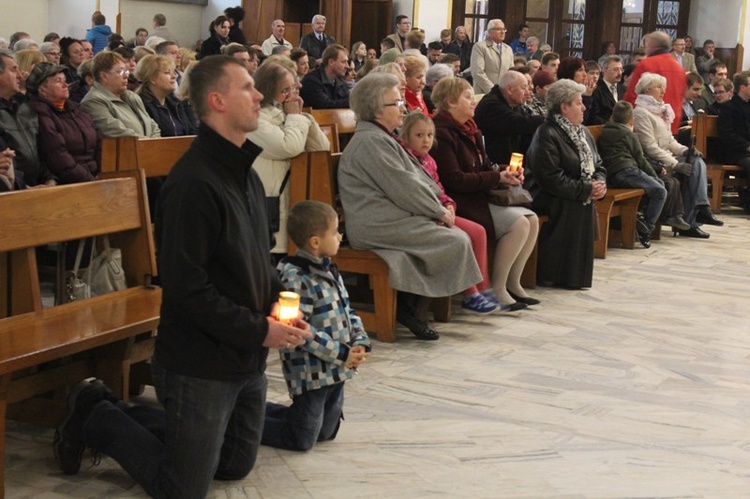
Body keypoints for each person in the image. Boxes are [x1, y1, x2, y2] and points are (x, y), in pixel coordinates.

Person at [52, 54, 313, 498]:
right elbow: (186, 288)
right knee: (182, 489)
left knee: (232, 465)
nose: (258, 95)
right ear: (217, 100)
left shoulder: (244, 175)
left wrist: (281, 301)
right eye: (248, 87)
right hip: (200, 359)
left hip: (244, 353)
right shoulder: (194, 183)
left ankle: (141, 416)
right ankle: (96, 416)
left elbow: (259, 256)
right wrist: (257, 329)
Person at [338, 72, 482, 340]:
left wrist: (442, 204)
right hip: (375, 224)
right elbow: (403, 187)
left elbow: (419, 178)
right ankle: (411, 309)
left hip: (392, 217)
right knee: (455, 240)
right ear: (377, 109)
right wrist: (437, 212)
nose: (403, 107)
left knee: (453, 237)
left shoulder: (383, 137)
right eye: (397, 103)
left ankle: (411, 308)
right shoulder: (371, 141)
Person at [263, 200, 371, 451]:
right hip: (312, 373)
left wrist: (361, 341)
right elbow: (301, 332)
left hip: (337, 370)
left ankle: (260, 412)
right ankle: (243, 420)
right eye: (335, 232)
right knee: (300, 439)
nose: (340, 236)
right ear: (315, 242)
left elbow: (348, 309)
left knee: (325, 433)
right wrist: (343, 353)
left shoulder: (330, 270)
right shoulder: (295, 276)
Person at [431, 76, 539, 308]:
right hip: (463, 201)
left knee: (533, 220)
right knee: (519, 223)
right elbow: (455, 180)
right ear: (450, 101)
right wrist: (495, 177)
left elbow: (483, 164)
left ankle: (513, 282)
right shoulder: (442, 132)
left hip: (479, 194)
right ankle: (497, 289)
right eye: (467, 97)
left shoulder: (470, 128)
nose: (473, 102)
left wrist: (504, 172)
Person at [399, 112, 499, 313]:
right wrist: (439, 211)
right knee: (461, 236)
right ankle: (470, 294)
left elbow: (439, 188)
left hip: (441, 210)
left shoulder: (429, 160)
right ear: (406, 137)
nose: (426, 140)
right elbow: (414, 193)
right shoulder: (404, 160)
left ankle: (484, 289)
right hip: (424, 214)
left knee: (478, 231)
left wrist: (449, 204)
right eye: (419, 135)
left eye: (429, 135)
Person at [525, 79, 607, 289]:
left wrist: (599, 183)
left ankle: (575, 273)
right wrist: (586, 189)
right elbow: (550, 178)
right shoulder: (547, 133)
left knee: (580, 202)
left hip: (573, 190)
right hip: (547, 195)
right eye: (579, 103)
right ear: (564, 107)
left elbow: (598, 164)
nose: (584, 107)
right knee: (574, 204)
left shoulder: (583, 132)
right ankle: (554, 273)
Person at [246, 61, 330, 259]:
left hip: (291, 202)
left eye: (294, 87)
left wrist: (301, 117)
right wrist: (294, 117)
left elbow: (321, 149)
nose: (294, 93)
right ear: (270, 91)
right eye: (288, 89)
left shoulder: (289, 116)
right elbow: (289, 147)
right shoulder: (255, 119)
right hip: (268, 209)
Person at [631, 72, 722, 238]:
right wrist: (675, 163)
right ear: (647, 89)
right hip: (652, 161)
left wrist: (685, 150)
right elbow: (650, 147)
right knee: (692, 168)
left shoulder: (660, 110)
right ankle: (695, 217)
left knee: (696, 160)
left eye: (663, 87)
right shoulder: (641, 113)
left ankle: (698, 212)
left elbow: (670, 141)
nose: (663, 91)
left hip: (665, 156)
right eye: (659, 87)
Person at [597, 101, 669, 248]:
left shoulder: (606, 131)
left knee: (659, 185)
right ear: (631, 120)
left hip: (614, 174)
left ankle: (641, 217)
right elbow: (640, 159)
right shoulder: (628, 134)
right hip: (627, 171)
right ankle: (646, 227)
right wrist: (653, 176)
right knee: (660, 191)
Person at [25, 62, 101, 184]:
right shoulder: (39, 113)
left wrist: (103, 173)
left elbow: (98, 142)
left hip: (95, 177)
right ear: (42, 89)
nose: (66, 85)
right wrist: (90, 180)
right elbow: (58, 156)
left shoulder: (77, 108)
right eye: (58, 81)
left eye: (65, 80)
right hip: (70, 182)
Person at [0, 50, 56, 187]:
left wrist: (50, 179)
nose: (20, 76)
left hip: (37, 188)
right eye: (13, 70)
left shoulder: (25, 109)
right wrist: (25, 188)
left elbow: (41, 151)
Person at [81, 51, 160, 138]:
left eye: (126, 72)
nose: (126, 76)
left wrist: (155, 144)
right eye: (120, 72)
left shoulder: (132, 96)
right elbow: (118, 132)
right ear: (104, 76)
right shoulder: (93, 101)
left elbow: (153, 125)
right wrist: (150, 144)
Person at [475, 70, 545, 165]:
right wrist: (549, 119)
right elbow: (521, 123)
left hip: (515, 163)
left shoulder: (514, 103)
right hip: (496, 167)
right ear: (509, 89)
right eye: (523, 88)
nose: (527, 92)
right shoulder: (490, 105)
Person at [625, 31, 686, 135]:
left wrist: (626, 119)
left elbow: (632, 95)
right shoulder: (679, 67)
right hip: (671, 123)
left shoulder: (646, 64)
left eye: (646, 45)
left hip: (648, 125)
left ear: (651, 45)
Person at [135, 54, 198, 137]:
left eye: (173, 72)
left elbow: (190, 131)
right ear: (152, 79)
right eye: (167, 73)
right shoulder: (142, 104)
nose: (173, 76)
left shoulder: (175, 102)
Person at [299, 44, 350, 109]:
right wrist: (352, 102)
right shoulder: (311, 81)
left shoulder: (339, 80)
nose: (347, 66)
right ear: (331, 62)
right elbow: (325, 105)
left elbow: (346, 98)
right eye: (343, 62)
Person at [471, 19, 513, 94]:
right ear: (489, 32)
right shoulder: (480, 47)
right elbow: (478, 73)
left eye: (504, 29)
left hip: (503, 94)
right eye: (498, 29)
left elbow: (511, 72)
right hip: (484, 93)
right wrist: (493, 91)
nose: (502, 32)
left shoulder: (508, 49)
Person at [718, 71, 750, 170]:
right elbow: (727, 134)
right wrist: (747, 146)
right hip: (737, 152)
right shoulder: (728, 107)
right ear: (742, 87)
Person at [557, 56, 601, 125]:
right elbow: (580, 121)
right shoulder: (562, 92)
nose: (585, 74)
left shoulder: (584, 89)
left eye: (584, 70)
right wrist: (587, 97)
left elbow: (593, 119)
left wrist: (589, 95)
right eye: (580, 70)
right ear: (569, 72)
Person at [591, 55, 625, 123]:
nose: (619, 73)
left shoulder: (624, 89)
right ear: (604, 70)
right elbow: (594, 115)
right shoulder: (595, 89)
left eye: (621, 69)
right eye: (615, 69)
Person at [59, 37, 88, 102]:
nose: (81, 54)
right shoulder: (66, 74)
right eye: (76, 52)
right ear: (68, 57)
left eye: (82, 50)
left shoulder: (87, 70)